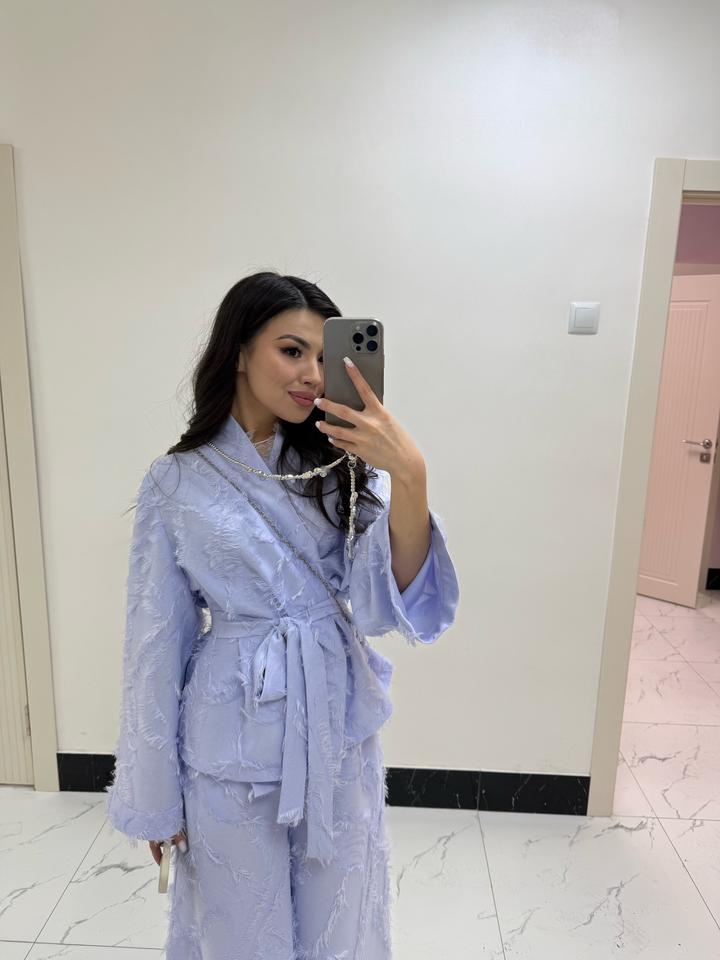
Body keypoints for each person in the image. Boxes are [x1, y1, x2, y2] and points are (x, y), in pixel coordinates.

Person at [105, 270, 460, 959]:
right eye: (291, 350)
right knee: (240, 930)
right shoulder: (174, 481)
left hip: (333, 724)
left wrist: (408, 473)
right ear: (239, 351)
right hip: (227, 735)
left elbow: (385, 597)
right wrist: (156, 795)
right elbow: (154, 642)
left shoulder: (343, 467)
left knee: (342, 921)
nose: (312, 375)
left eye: (323, 357)